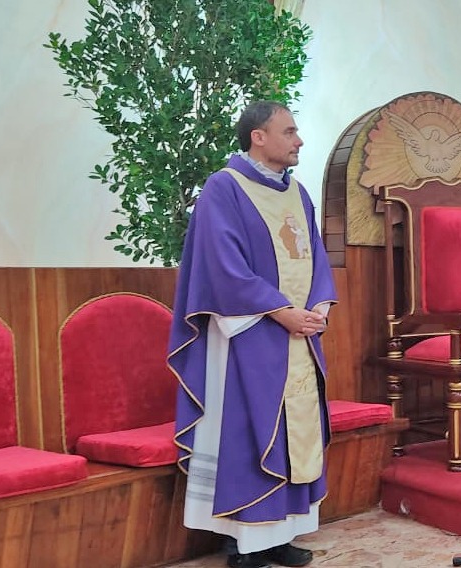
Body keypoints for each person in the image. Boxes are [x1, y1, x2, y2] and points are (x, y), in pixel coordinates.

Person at [169, 101, 336, 568]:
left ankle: (280, 534)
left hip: (299, 334)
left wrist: (318, 307)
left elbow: (316, 255)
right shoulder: (224, 188)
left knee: (292, 434)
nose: (299, 140)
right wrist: (282, 312)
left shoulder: (297, 192)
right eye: (289, 132)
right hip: (247, 332)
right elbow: (222, 266)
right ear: (258, 137)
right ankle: (243, 544)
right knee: (247, 432)